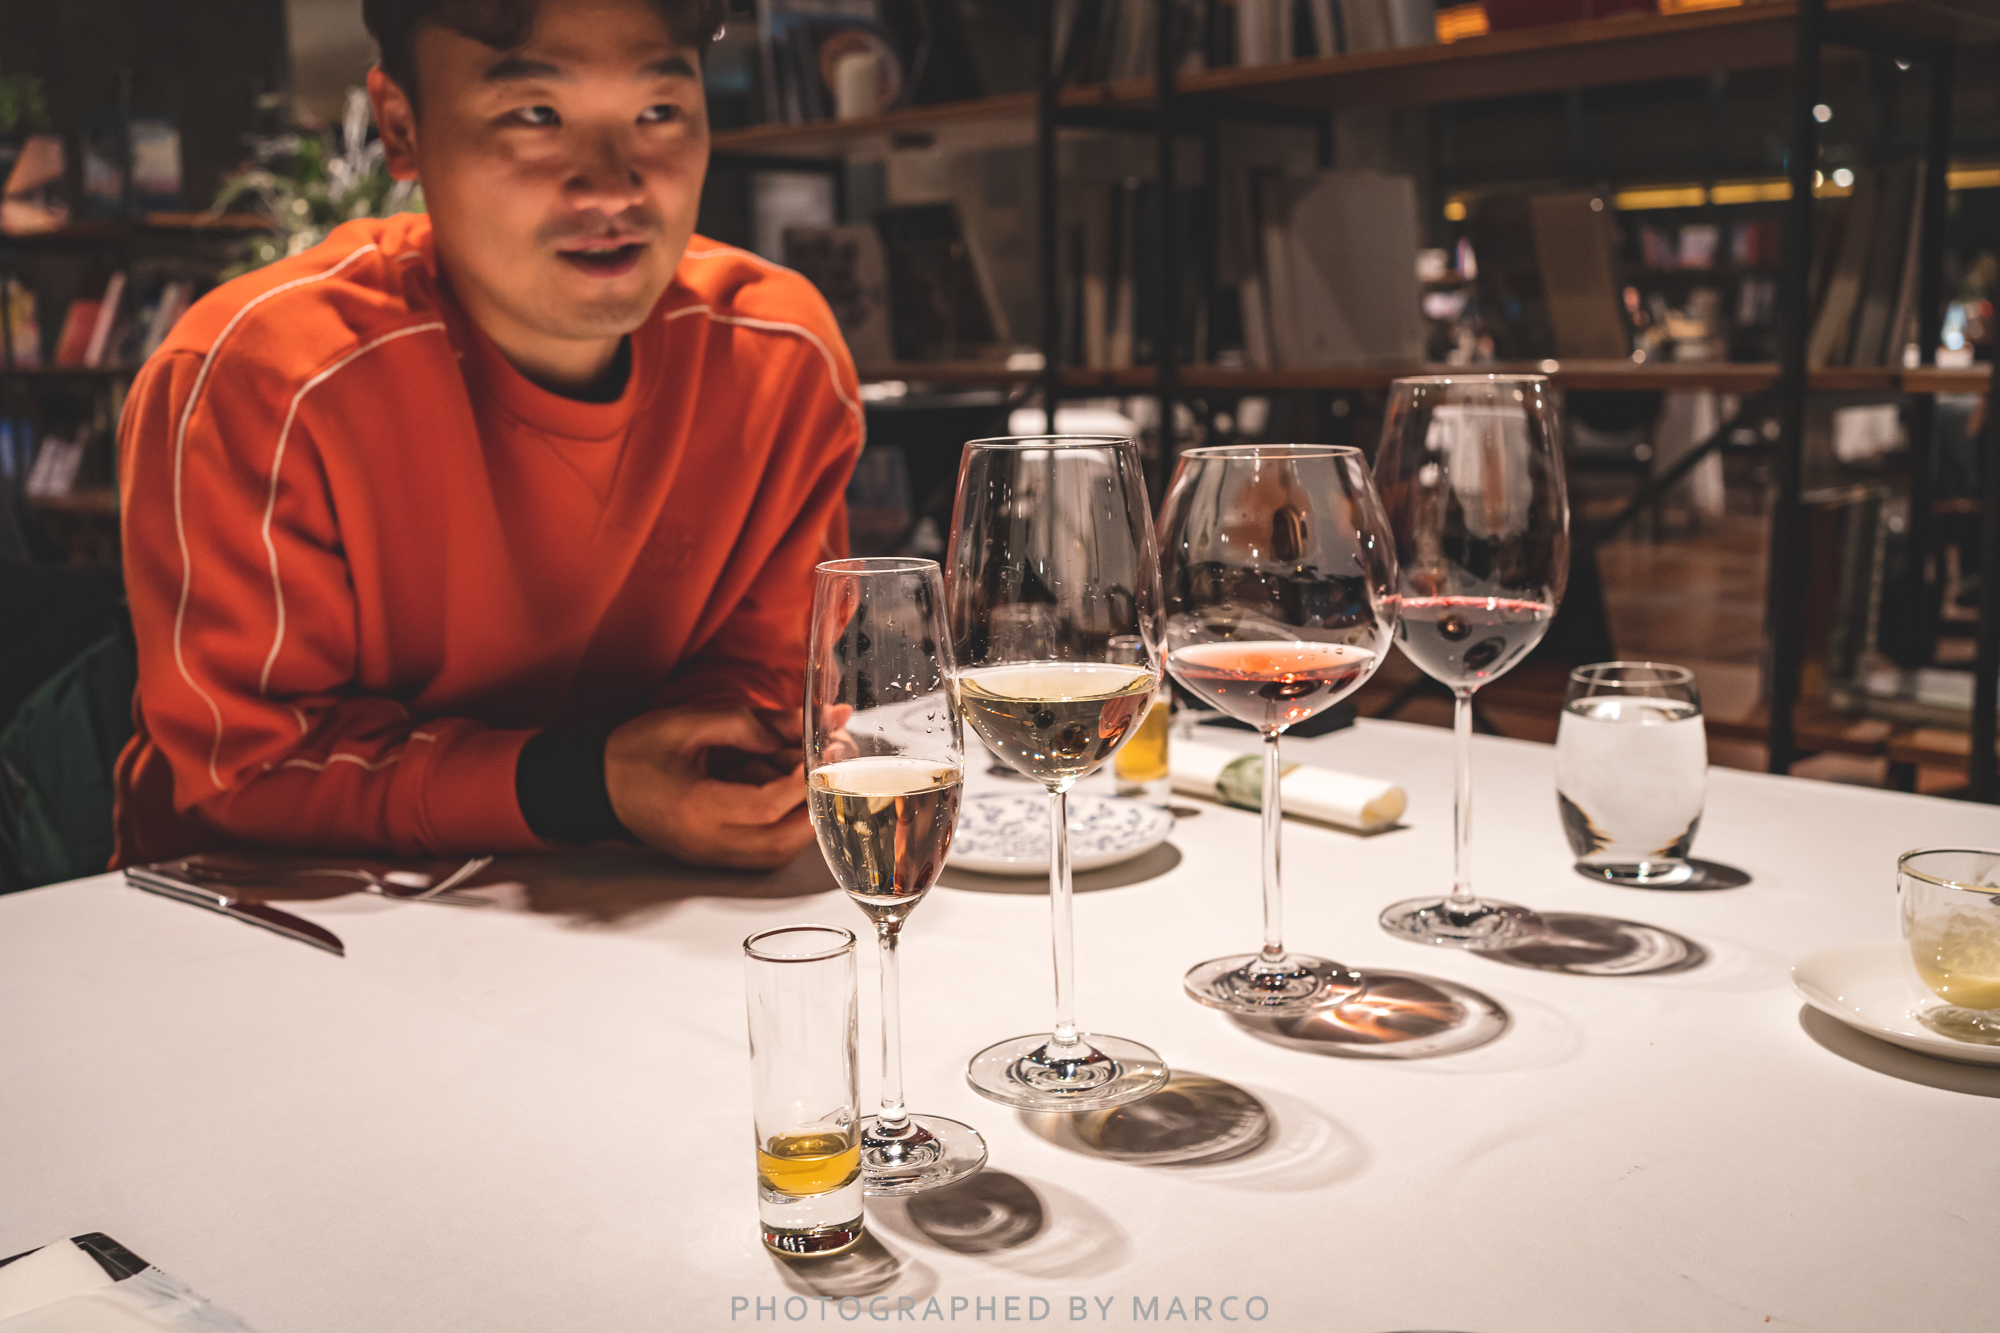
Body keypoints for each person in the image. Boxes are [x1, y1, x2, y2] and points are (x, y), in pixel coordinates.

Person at [111, 0, 861, 871]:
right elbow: (249, 767)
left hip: (634, 897)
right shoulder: (265, 382)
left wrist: (749, 762)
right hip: (272, 912)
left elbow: (761, 680)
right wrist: (580, 785)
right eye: (536, 115)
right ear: (401, 127)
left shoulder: (778, 360)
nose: (613, 186)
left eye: (658, 112)